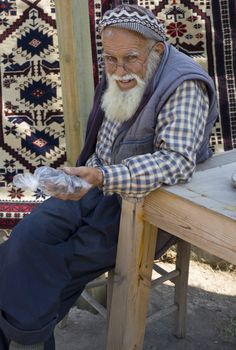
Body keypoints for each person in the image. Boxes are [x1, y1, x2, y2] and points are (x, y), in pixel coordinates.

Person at [0, 4, 218, 350]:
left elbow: (176, 162)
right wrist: (85, 177)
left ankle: (25, 339)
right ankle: (27, 334)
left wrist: (102, 176)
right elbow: (104, 145)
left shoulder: (183, 85)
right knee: (26, 239)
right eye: (110, 59)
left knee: (52, 263)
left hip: (140, 205)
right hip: (90, 188)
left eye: (130, 58)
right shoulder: (121, 67)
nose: (118, 70)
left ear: (157, 49)